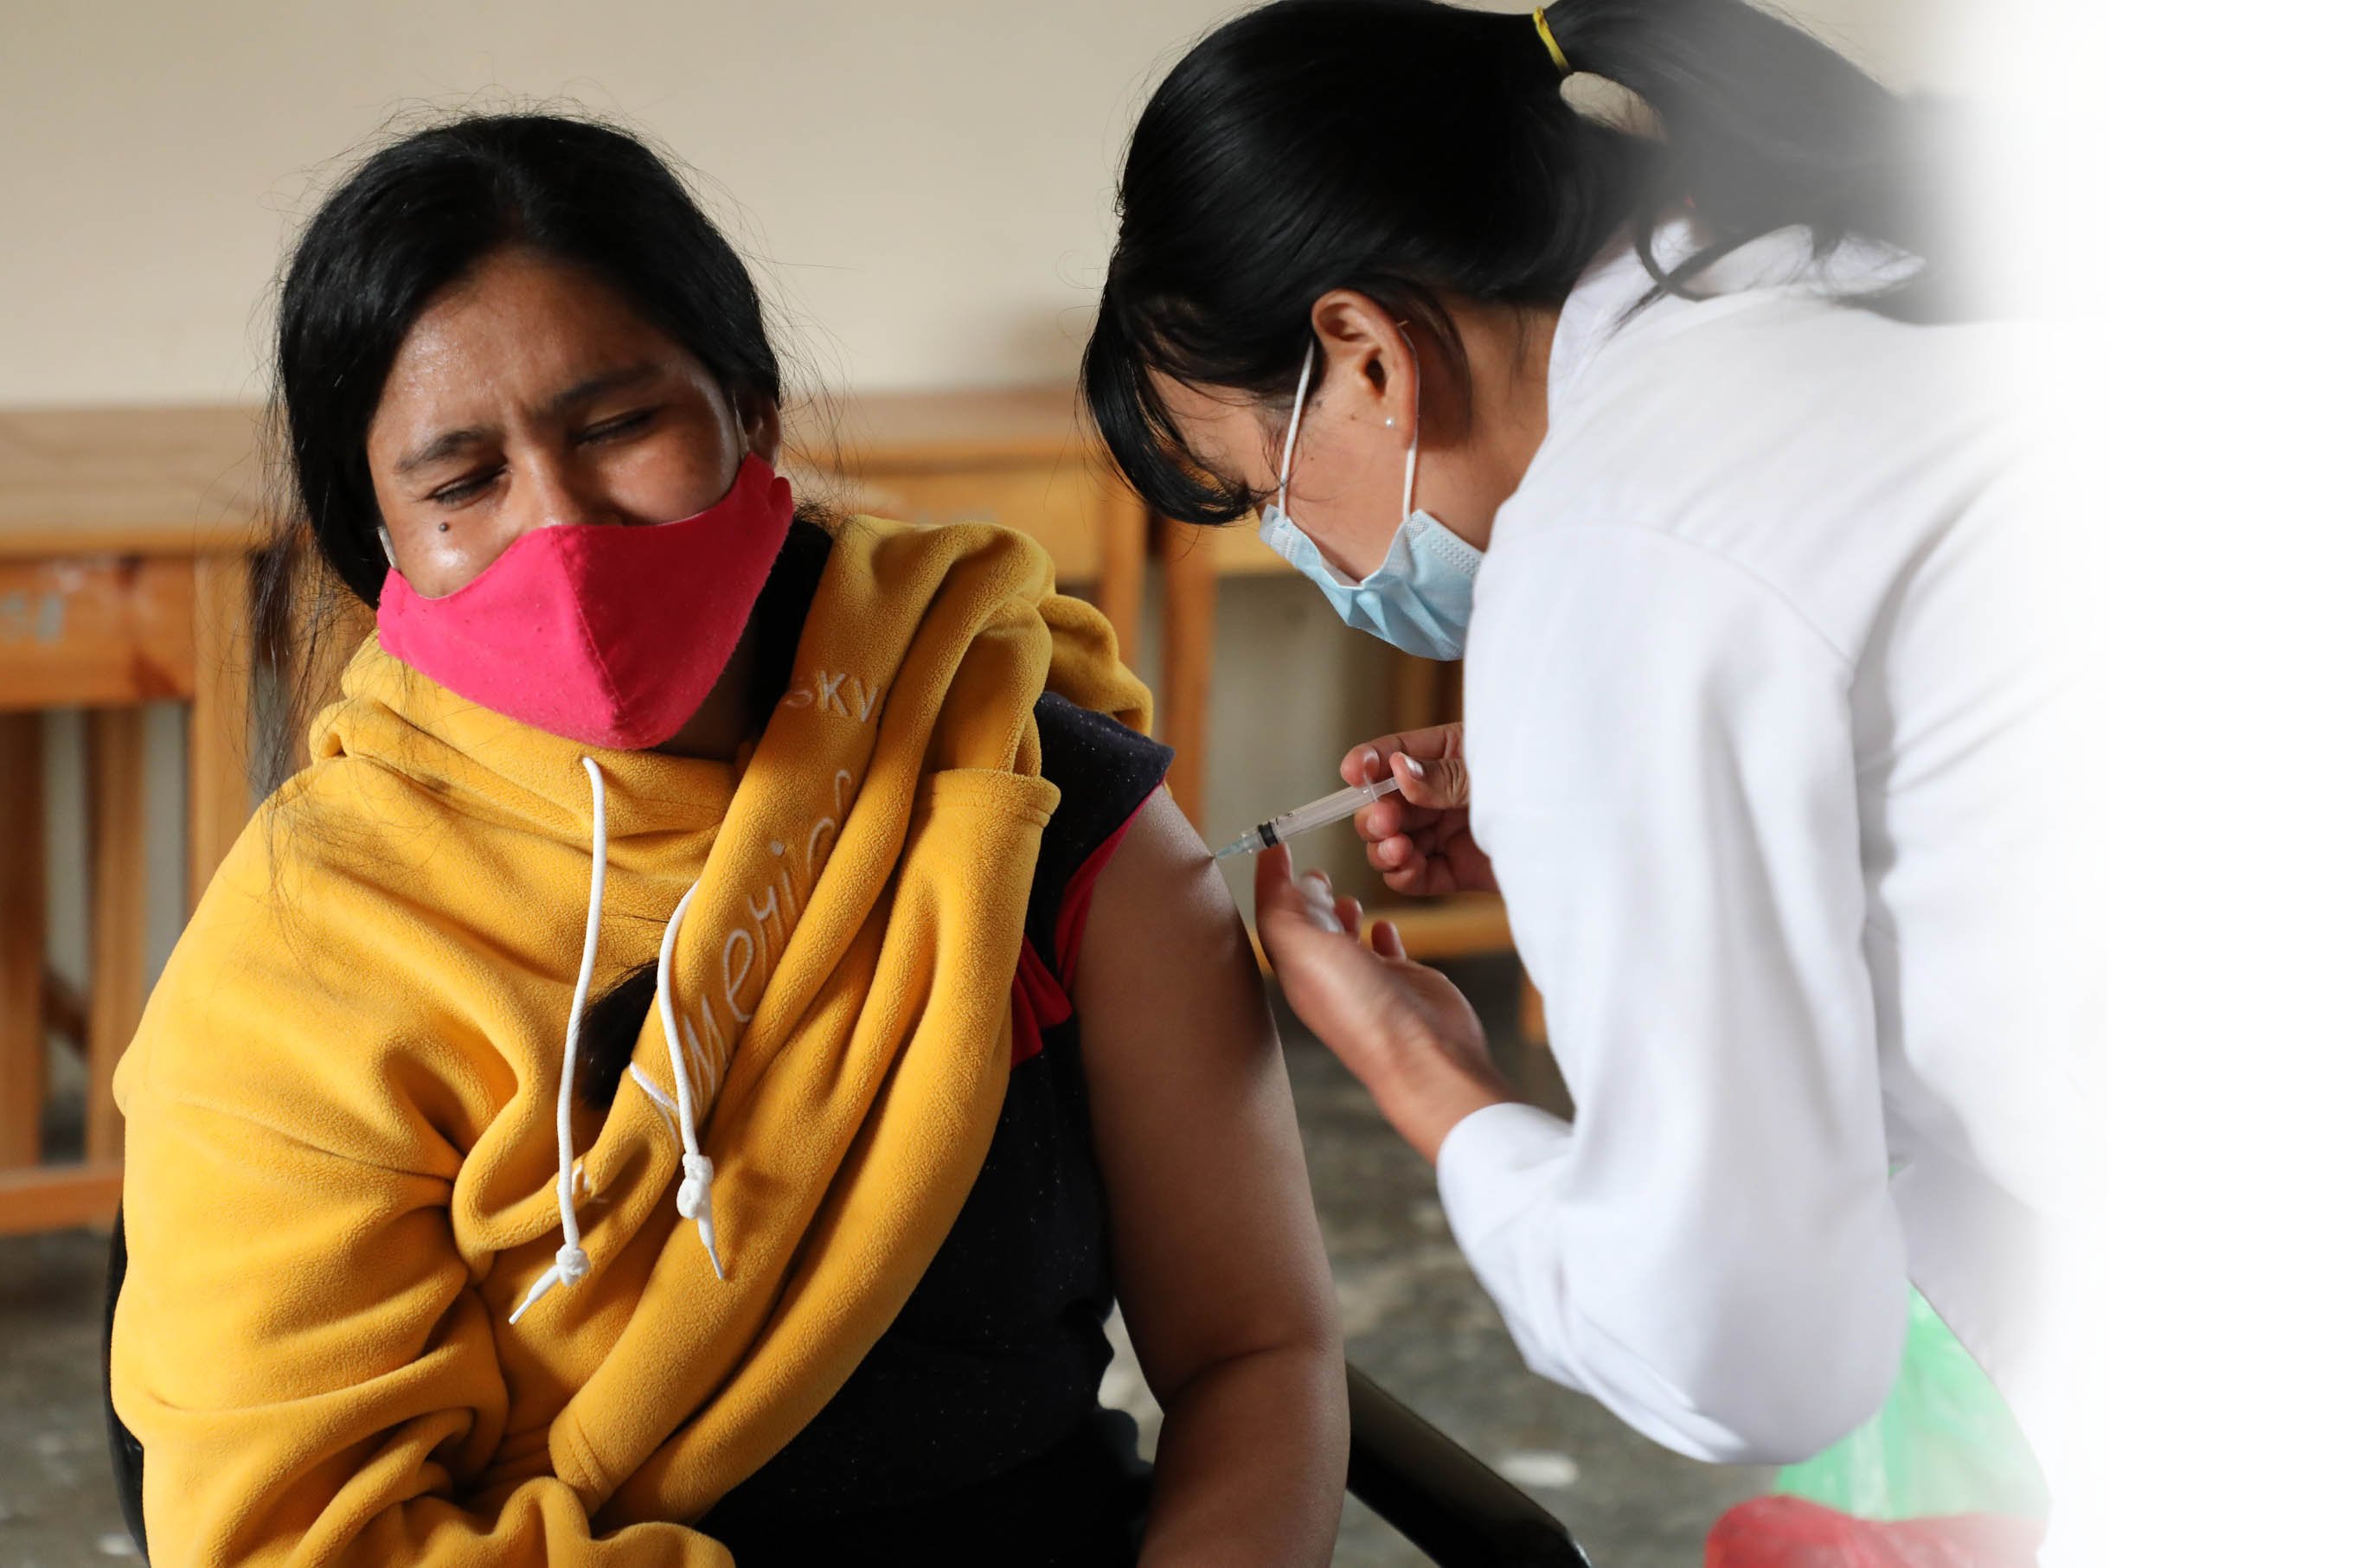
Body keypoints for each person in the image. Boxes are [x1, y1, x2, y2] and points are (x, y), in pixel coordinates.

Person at [110, 112, 1346, 1567]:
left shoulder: (1013, 786)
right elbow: (296, 1530)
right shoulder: (313, 944)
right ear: (378, 544)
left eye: (617, 427)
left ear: (750, 414)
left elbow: (1257, 1350)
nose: (562, 529)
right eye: (460, 484)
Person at [1084, 0, 2095, 1559]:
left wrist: (1428, 1076)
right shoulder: (1848, 283)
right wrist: (1606, 804)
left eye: (1263, 492)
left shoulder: (1615, 548)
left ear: (1367, 356)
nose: (1301, 547)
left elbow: (1744, 1350)